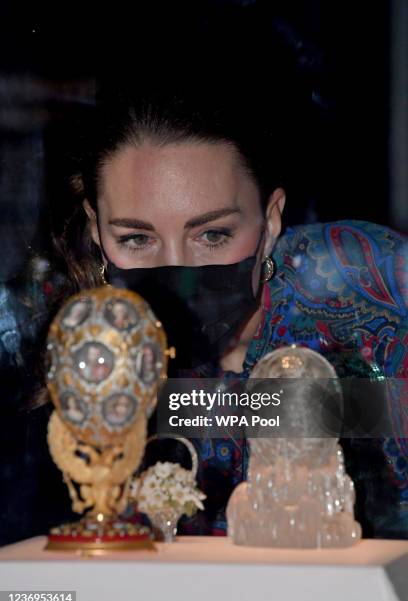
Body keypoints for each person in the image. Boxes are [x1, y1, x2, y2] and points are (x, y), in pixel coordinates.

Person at [1, 83, 407, 544]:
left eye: (212, 235)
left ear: (270, 221)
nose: (183, 274)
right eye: (136, 239)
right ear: (97, 231)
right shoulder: (84, 348)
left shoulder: (359, 283)